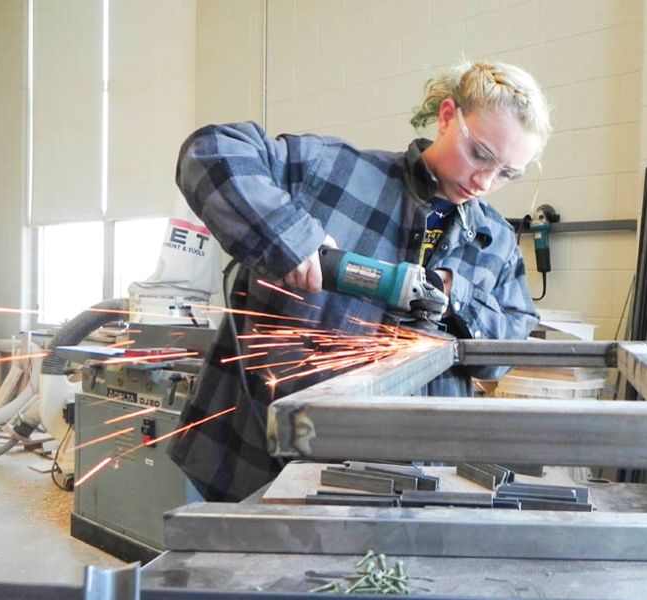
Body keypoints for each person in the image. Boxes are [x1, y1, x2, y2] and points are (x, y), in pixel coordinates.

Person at [170, 60, 552, 501]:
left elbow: (507, 344)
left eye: (506, 173)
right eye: (480, 154)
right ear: (448, 116)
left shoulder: (497, 244)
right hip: (252, 461)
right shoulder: (332, 173)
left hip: (402, 486)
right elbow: (210, 150)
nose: (485, 181)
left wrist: (452, 293)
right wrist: (290, 236)